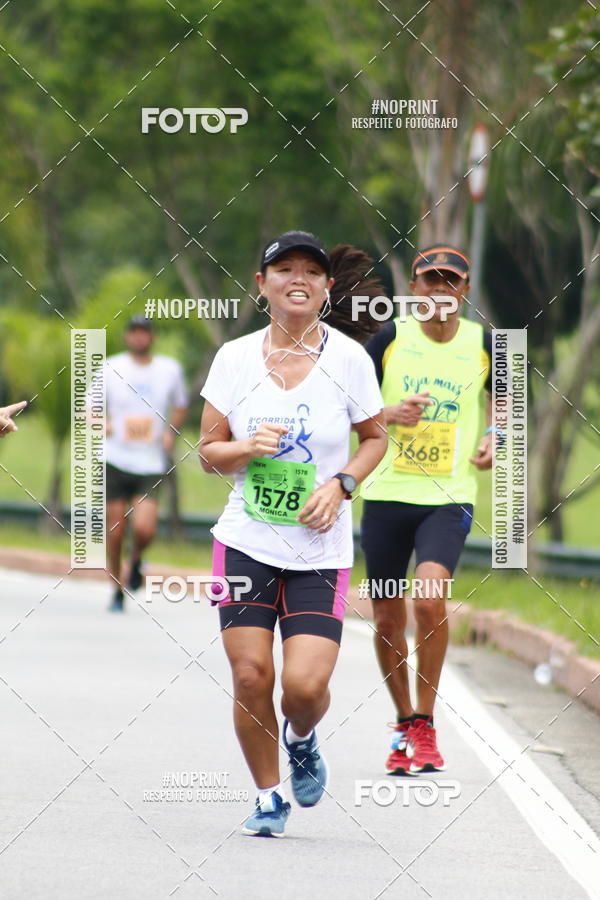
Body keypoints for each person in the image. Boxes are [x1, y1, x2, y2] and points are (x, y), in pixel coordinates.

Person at [199, 231, 387, 837]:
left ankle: (301, 736)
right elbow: (207, 452)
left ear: (328, 287)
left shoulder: (350, 361)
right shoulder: (234, 358)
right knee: (252, 673)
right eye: (283, 269)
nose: (297, 277)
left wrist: (343, 486)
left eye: (312, 269)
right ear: (263, 285)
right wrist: (243, 448)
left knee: (304, 687)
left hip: (321, 551)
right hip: (245, 543)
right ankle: (267, 796)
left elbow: (376, 438)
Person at [360, 244, 496, 775]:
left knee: (430, 599)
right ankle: (402, 723)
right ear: (414, 290)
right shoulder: (391, 338)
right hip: (387, 494)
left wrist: (495, 435)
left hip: (448, 495)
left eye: (451, 282)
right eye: (430, 281)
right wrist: (388, 412)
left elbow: (506, 399)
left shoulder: (484, 344)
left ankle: (426, 722)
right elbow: (350, 401)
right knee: (387, 614)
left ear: (464, 291)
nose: (440, 292)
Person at [103, 316, 188, 611]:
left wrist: (169, 433)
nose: (140, 338)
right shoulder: (111, 367)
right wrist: (105, 425)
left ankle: (136, 557)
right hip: (115, 458)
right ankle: (116, 588)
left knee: (144, 528)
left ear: (152, 337)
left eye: (145, 333)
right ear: (127, 336)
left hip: (150, 461)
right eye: (134, 332)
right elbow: (88, 409)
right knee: (114, 532)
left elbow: (180, 405)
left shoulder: (169, 369)